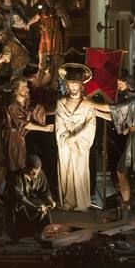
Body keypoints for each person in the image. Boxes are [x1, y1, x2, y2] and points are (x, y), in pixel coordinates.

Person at [92, 74, 135, 213]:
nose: (119, 86)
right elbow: (116, 116)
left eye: (121, 84)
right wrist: (95, 112)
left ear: (128, 84)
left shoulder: (133, 100)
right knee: (121, 170)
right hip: (134, 136)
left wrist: (91, 104)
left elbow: (112, 109)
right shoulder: (130, 99)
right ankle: (126, 204)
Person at [0, 78, 54, 203]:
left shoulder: (24, 103)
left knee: (11, 164)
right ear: (15, 90)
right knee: (9, 164)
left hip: (18, 136)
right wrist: (43, 128)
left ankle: (8, 192)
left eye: (27, 87)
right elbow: (24, 124)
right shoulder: (13, 105)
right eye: (23, 87)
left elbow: (33, 112)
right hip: (11, 137)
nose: (27, 89)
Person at [55, 64, 97, 211]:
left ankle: (81, 203)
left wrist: (77, 138)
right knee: (66, 171)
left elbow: (91, 125)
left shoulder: (87, 104)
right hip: (65, 144)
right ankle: (68, 202)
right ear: (67, 85)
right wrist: (67, 139)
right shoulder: (61, 103)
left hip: (81, 144)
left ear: (81, 85)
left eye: (76, 83)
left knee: (80, 172)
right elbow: (59, 124)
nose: (73, 86)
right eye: (70, 83)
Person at [7, 154, 56, 239]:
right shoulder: (16, 177)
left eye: (37, 172)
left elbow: (45, 191)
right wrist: (34, 207)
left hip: (32, 199)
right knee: (22, 209)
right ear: (26, 168)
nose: (35, 176)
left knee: (43, 208)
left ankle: (39, 232)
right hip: (18, 202)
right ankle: (21, 233)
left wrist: (50, 201)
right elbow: (19, 197)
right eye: (32, 173)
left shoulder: (40, 174)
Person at [26, 0, 68, 88]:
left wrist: (62, 16)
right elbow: (36, 18)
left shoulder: (59, 9)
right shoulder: (43, 10)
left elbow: (66, 24)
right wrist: (27, 23)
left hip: (56, 36)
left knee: (55, 64)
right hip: (45, 37)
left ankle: (53, 86)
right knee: (41, 65)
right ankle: (38, 87)